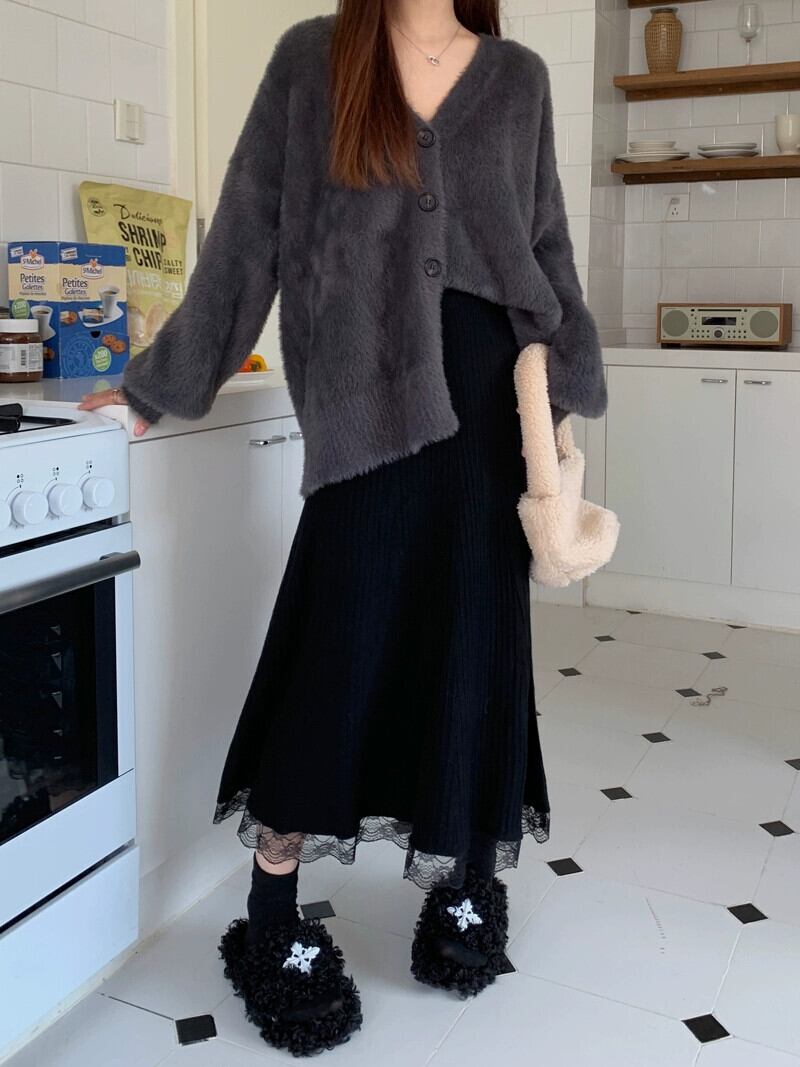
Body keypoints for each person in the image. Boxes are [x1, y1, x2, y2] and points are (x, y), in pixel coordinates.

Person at [79, 0, 607, 1057]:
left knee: (476, 645)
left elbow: (543, 239)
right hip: (362, 406)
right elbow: (248, 236)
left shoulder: (517, 78)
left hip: (488, 409)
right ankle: (271, 912)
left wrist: (567, 381)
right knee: (338, 646)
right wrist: (154, 387)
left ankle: (466, 880)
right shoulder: (313, 59)